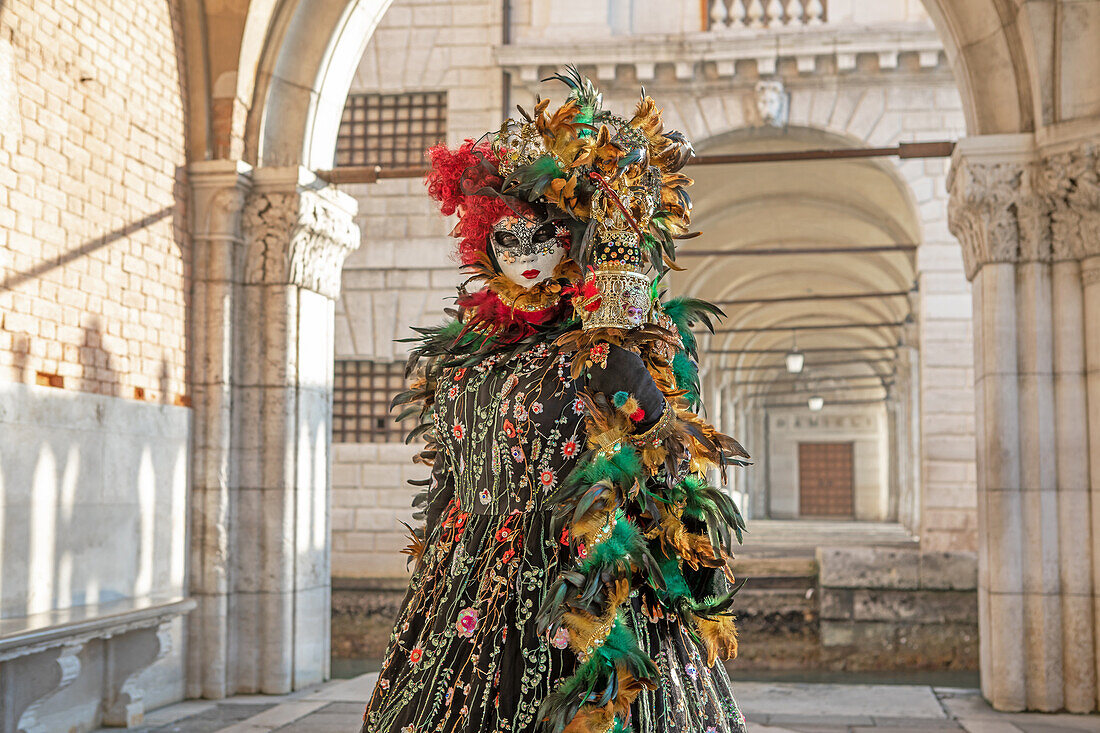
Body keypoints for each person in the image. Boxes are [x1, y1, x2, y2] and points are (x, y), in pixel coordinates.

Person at [360, 68, 751, 733]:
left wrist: (647, 404)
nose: (527, 254)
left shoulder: (612, 346)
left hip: (585, 583)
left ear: (575, 238)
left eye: (546, 235)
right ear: (483, 241)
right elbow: (450, 478)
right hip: (466, 591)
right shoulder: (465, 356)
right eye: (508, 238)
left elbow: (672, 478)